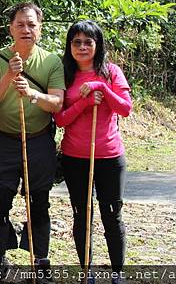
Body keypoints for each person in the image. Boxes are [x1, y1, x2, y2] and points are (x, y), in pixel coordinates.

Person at [0, 2, 65, 283]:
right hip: (4, 140)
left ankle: (40, 260)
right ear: (11, 29)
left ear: (39, 29)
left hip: (39, 140)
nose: (26, 29)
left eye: (31, 25)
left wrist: (32, 94)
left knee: (39, 201)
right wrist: (9, 75)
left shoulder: (51, 61)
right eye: (20, 24)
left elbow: (56, 103)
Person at [54, 21, 132, 284]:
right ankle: (86, 272)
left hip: (110, 156)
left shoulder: (111, 72)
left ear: (98, 45)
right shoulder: (64, 75)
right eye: (77, 42)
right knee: (81, 213)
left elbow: (125, 108)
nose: (83, 47)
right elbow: (61, 120)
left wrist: (102, 88)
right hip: (76, 157)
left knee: (111, 213)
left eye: (88, 41)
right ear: (70, 46)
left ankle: (117, 273)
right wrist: (85, 102)